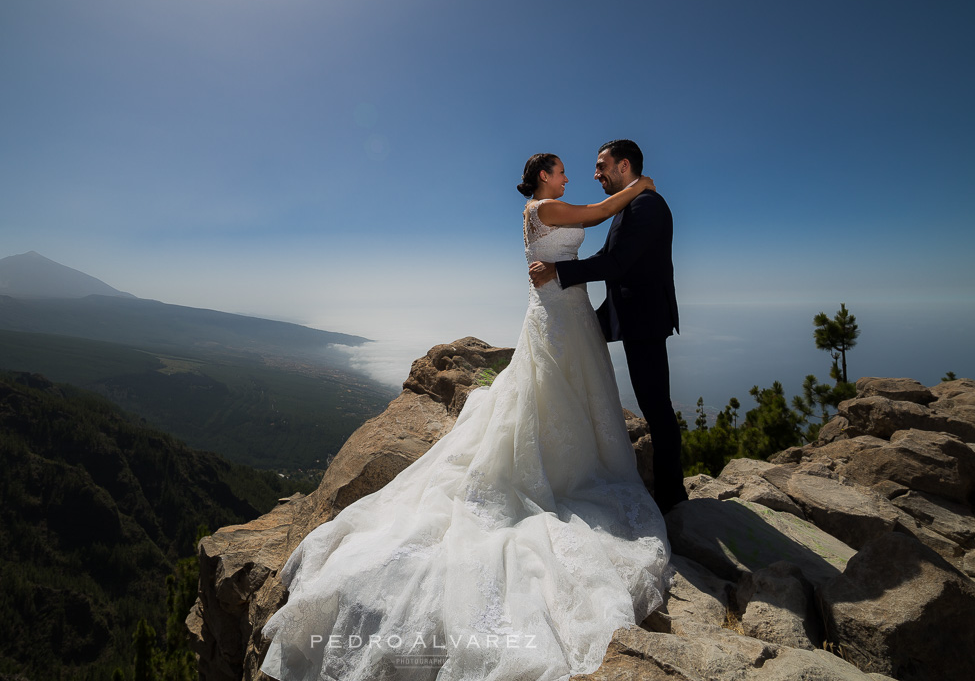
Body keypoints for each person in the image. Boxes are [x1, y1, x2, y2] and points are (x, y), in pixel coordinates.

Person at [258, 152, 670, 681]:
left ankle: (569, 451)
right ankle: (561, 463)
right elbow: (593, 215)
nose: (569, 175)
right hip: (559, 311)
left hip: (562, 310)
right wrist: (641, 187)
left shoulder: (539, 209)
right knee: (553, 389)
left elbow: (589, 219)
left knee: (559, 388)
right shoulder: (548, 209)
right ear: (544, 176)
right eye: (562, 169)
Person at [529, 139, 687, 514]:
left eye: (602, 166)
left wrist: (560, 270)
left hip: (644, 320)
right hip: (630, 315)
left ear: (624, 166)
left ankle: (672, 496)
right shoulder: (632, 204)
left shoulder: (647, 205)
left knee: (656, 406)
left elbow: (618, 263)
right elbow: (607, 255)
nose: (595, 173)